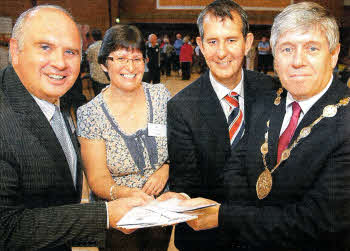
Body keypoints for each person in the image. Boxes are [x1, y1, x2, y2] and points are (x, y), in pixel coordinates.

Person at [182, 2, 350, 250]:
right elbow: (235, 168)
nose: (297, 61)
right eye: (287, 49)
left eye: (312, 48)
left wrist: (227, 216)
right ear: (273, 55)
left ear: (333, 54)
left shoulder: (346, 124)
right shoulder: (267, 101)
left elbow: (317, 222)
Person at [0, 5, 148, 251]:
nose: (60, 63)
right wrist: (105, 216)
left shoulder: (59, 99)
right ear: (15, 50)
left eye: (70, 52)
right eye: (45, 47)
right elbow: (7, 229)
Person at [166, 0, 276, 250]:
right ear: (201, 46)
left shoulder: (272, 90)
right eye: (213, 42)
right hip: (208, 238)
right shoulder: (182, 107)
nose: (222, 52)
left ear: (248, 43)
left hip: (264, 232)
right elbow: (188, 184)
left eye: (231, 40)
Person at [77, 24, 172, 251]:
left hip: (161, 211)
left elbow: (180, 145)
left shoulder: (161, 96)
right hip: (119, 216)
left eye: (137, 58)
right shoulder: (91, 114)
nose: (130, 67)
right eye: (120, 58)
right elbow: (98, 179)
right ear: (103, 64)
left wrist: (165, 169)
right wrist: (129, 194)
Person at [86, 29, 110, 96]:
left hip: (96, 76)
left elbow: (88, 59)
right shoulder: (107, 45)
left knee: (98, 96)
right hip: (108, 75)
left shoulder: (91, 47)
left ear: (93, 37)